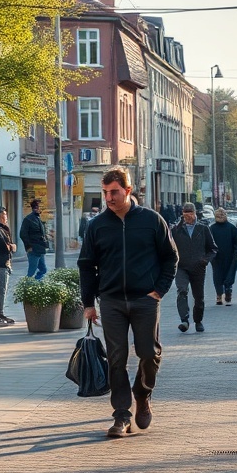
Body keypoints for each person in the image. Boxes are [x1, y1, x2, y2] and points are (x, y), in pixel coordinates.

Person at [79, 167, 178, 438]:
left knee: (149, 353)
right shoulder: (97, 226)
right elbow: (86, 266)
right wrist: (88, 303)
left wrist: (159, 290)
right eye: (106, 192)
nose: (109, 198)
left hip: (145, 300)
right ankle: (121, 415)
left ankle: (143, 395)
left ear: (128, 191)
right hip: (111, 301)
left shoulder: (152, 220)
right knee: (116, 358)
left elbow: (170, 257)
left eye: (114, 192)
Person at [171, 202, 217, 333]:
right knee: (182, 290)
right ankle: (184, 320)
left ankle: (198, 320)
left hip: (198, 267)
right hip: (181, 267)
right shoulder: (177, 229)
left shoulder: (203, 229)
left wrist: (204, 260)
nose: (188, 216)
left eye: (190, 213)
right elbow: (169, 246)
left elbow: (213, 249)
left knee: (199, 297)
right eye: (185, 213)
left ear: (195, 213)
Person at [209, 208, 237, 305]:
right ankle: (223, 293)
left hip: (224, 256)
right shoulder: (214, 228)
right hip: (221, 256)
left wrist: (236, 253)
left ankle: (224, 293)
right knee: (222, 275)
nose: (221, 217)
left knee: (223, 275)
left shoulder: (229, 228)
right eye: (219, 215)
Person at [19, 198, 49, 280]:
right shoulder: (28, 219)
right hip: (33, 249)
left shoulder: (38, 218)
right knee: (32, 271)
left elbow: (42, 233)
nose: (41, 209)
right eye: (40, 207)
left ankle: (36, 285)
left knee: (43, 269)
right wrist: (28, 246)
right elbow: (22, 234)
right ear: (35, 208)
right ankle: (27, 286)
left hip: (40, 248)